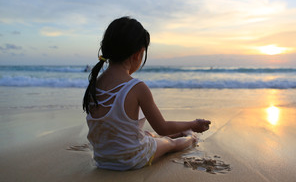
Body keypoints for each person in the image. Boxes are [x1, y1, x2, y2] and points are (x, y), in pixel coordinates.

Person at [83, 17, 211, 171]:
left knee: (147, 134)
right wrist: (193, 125)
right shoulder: (136, 87)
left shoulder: (94, 84)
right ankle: (190, 137)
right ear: (138, 54)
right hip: (131, 158)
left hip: (103, 158)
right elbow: (163, 128)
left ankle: (172, 135)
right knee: (170, 143)